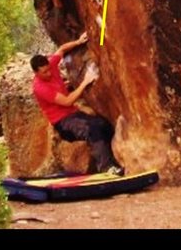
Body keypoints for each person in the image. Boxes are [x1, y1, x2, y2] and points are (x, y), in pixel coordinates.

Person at [31, 31, 124, 175]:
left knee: (104, 124)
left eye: (49, 69)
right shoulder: (40, 88)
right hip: (63, 123)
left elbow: (61, 49)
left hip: (74, 114)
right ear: (36, 73)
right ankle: (106, 168)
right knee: (92, 129)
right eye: (44, 72)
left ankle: (114, 161)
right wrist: (85, 81)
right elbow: (67, 101)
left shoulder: (50, 65)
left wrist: (79, 41)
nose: (49, 73)